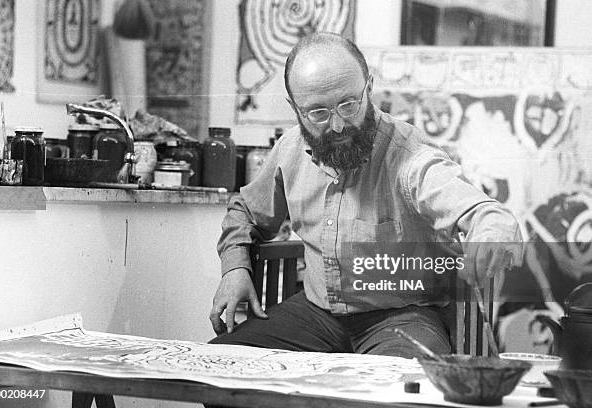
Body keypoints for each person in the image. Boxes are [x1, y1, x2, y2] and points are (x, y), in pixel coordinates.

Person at [209, 33, 523, 358]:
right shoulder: (289, 149)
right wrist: (235, 268)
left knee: (403, 390)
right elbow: (244, 212)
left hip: (403, 317)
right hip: (317, 314)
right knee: (219, 363)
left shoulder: (410, 158)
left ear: (368, 88)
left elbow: (487, 213)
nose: (338, 125)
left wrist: (491, 231)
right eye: (318, 112)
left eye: (349, 104)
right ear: (296, 109)